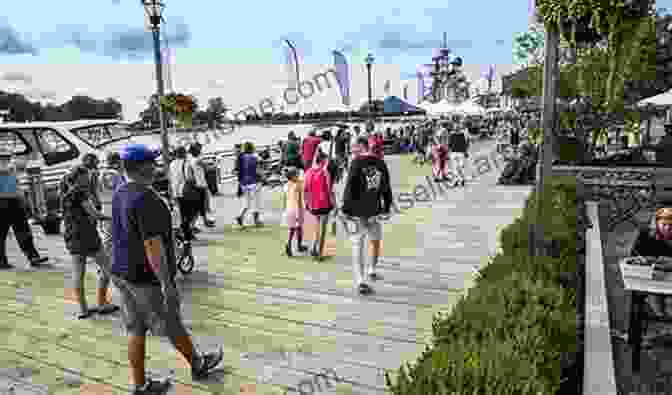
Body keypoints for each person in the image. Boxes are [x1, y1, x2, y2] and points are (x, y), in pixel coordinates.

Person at [110, 144, 223, 394]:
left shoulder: (119, 192)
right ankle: (198, 364)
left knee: (136, 330)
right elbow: (153, 247)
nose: (157, 166)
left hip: (121, 273)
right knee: (171, 322)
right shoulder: (148, 200)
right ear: (143, 167)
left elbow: (115, 234)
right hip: (145, 277)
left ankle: (140, 385)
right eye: (153, 162)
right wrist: (167, 284)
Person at [60, 165, 120, 319]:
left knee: (78, 274)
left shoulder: (65, 194)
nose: (89, 178)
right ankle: (101, 302)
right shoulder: (80, 193)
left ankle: (83, 309)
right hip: (86, 236)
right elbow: (94, 214)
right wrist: (113, 219)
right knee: (107, 268)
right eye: (86, 175)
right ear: (80, 177)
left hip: (72, 237)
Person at [341, 137, 394, 295]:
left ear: (361, 146)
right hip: (374, 210)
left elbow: (349, 187)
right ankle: (372, 269)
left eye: (354, 147)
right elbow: (386, 187)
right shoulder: (380, 163)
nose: (352, 150)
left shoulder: (356, 163)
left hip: (358, 211)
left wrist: (345, 209)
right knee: (375, 240)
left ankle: (361, 281)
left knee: (358, 244)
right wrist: (386, 206)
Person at [0, 148, 49, 269]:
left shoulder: (12, 168)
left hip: (15, 201)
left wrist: (22, 198)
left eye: (7, 157)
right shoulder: (9, 168)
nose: (5, 159)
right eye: (2, 157)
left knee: (24, 230)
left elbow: (17, 182)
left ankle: (33, 257)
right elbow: (5, 170)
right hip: (2, 201)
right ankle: (2, 261)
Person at [303, 150, 336, 260]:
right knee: (323, 229)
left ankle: (313, 247)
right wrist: (334, 205)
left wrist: (306, 203)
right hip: (324, 204)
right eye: (325, 160)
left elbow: (305, 189)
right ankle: (320, 252)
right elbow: (330, 190)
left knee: (317, 226)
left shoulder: (308, 172)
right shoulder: (324, 172)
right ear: (322, 160)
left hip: (313, 204)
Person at [169, 146, 198, 241]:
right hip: (185, 191)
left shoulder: (172, 164)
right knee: (191, 212)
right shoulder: (186, 164)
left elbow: (171, 178)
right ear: (183, 154)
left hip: (175, 191)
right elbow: (189, 178)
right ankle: (187, 233)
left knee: (181, 213)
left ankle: (183, 232)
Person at [235, 142, 263, 227]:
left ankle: (240, 216)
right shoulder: (254, 158)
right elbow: (258, 171)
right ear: (252, 148)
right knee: (256, 202)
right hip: (253, 182)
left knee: (247, 202)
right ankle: (256, 220)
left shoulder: (241, 157)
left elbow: (238, 170)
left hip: (243, 182)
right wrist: (264, 178)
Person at [187, 143, 215, 230]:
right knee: (201, 206)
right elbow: (208, 168)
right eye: (199, 149)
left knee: (201, 206)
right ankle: (192, 225)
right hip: (201, 185)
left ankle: (204, 221)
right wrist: (214, 164)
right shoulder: (197, 160)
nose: (200, 150)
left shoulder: (191, 160)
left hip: (197, 185)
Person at [282, 167, 308, 256]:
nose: (298, 176)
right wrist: (300, 211)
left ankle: (288, 243)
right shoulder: (298, 185)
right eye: (297, 175)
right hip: (297, 209)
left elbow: (285, 199)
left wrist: (284, 210)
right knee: (299, 228)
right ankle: (299, 245)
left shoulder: (286, 185)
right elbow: (299, 200)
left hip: (288, 209)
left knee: (291, 229)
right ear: (293, 176)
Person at [448, 122, 471, 187]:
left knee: (456, 168)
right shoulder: (461, 135)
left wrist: (449, 152)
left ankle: (458, 180)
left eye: (456, 128)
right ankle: (460, 180)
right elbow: (464, 144)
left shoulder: (452, 135)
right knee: (459, 167)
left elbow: (449, 144)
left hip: (455, 153)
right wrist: (465, 152)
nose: (456, 129)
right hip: (458, 153)